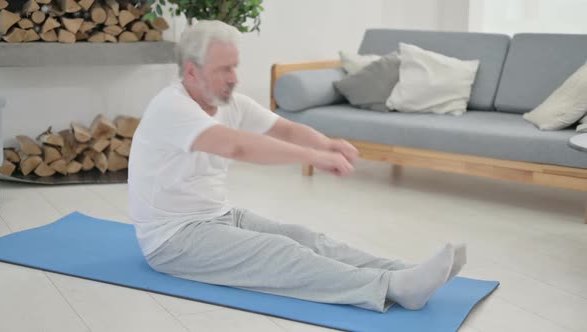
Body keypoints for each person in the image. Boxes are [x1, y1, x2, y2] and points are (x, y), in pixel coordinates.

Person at [128, 20, 466, 313]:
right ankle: (390, 288)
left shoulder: (229, 102)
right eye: (223, 70)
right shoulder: (171, 108)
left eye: (235, 67)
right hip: (172, 240)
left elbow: (284, 128)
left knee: (307, 238)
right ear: (191, 71)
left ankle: (407, 271)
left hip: (217, 216)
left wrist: (327, 144)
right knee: (279, 252)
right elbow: (237, 145)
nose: (234, 79)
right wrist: (314, 158)